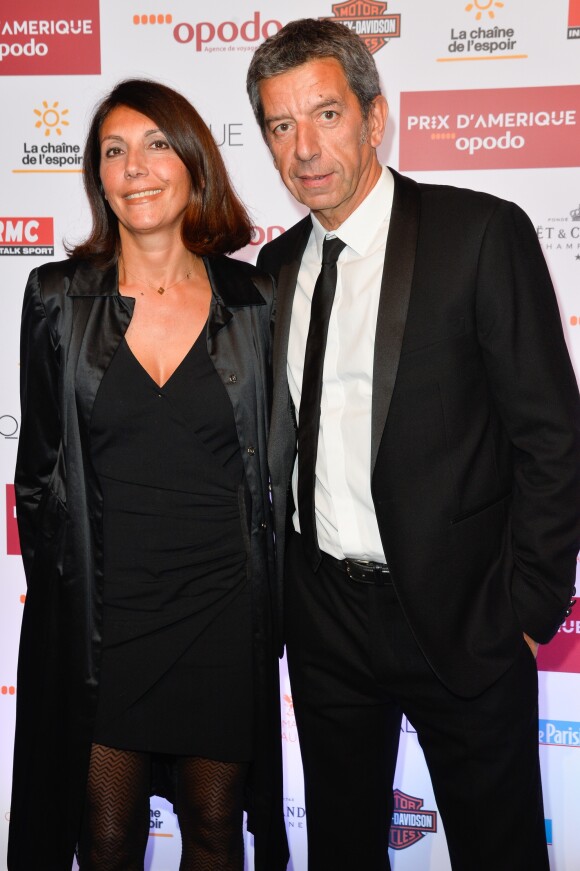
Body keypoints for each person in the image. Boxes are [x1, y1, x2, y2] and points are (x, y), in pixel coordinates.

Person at [247, 18, 580, 871]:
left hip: (464, 618)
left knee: (499, 850)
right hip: (323, 623)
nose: (305, 148)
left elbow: (551, 434)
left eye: (325, 114)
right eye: (281, 126)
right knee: (343, 852)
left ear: (375, 117)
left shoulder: (478, 235)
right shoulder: (275, 272)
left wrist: (529, 609)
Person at [9, 78, 288, 871]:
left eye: (157, 144)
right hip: (109, 618)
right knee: (104, 833)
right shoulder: (58, 298)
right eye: (113, 151)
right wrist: (64, 597)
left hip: (222, 612)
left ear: (195, 163)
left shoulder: (255, 297)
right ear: (98, 177)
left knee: (212, 824)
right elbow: (38, 476)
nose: (136, 167)